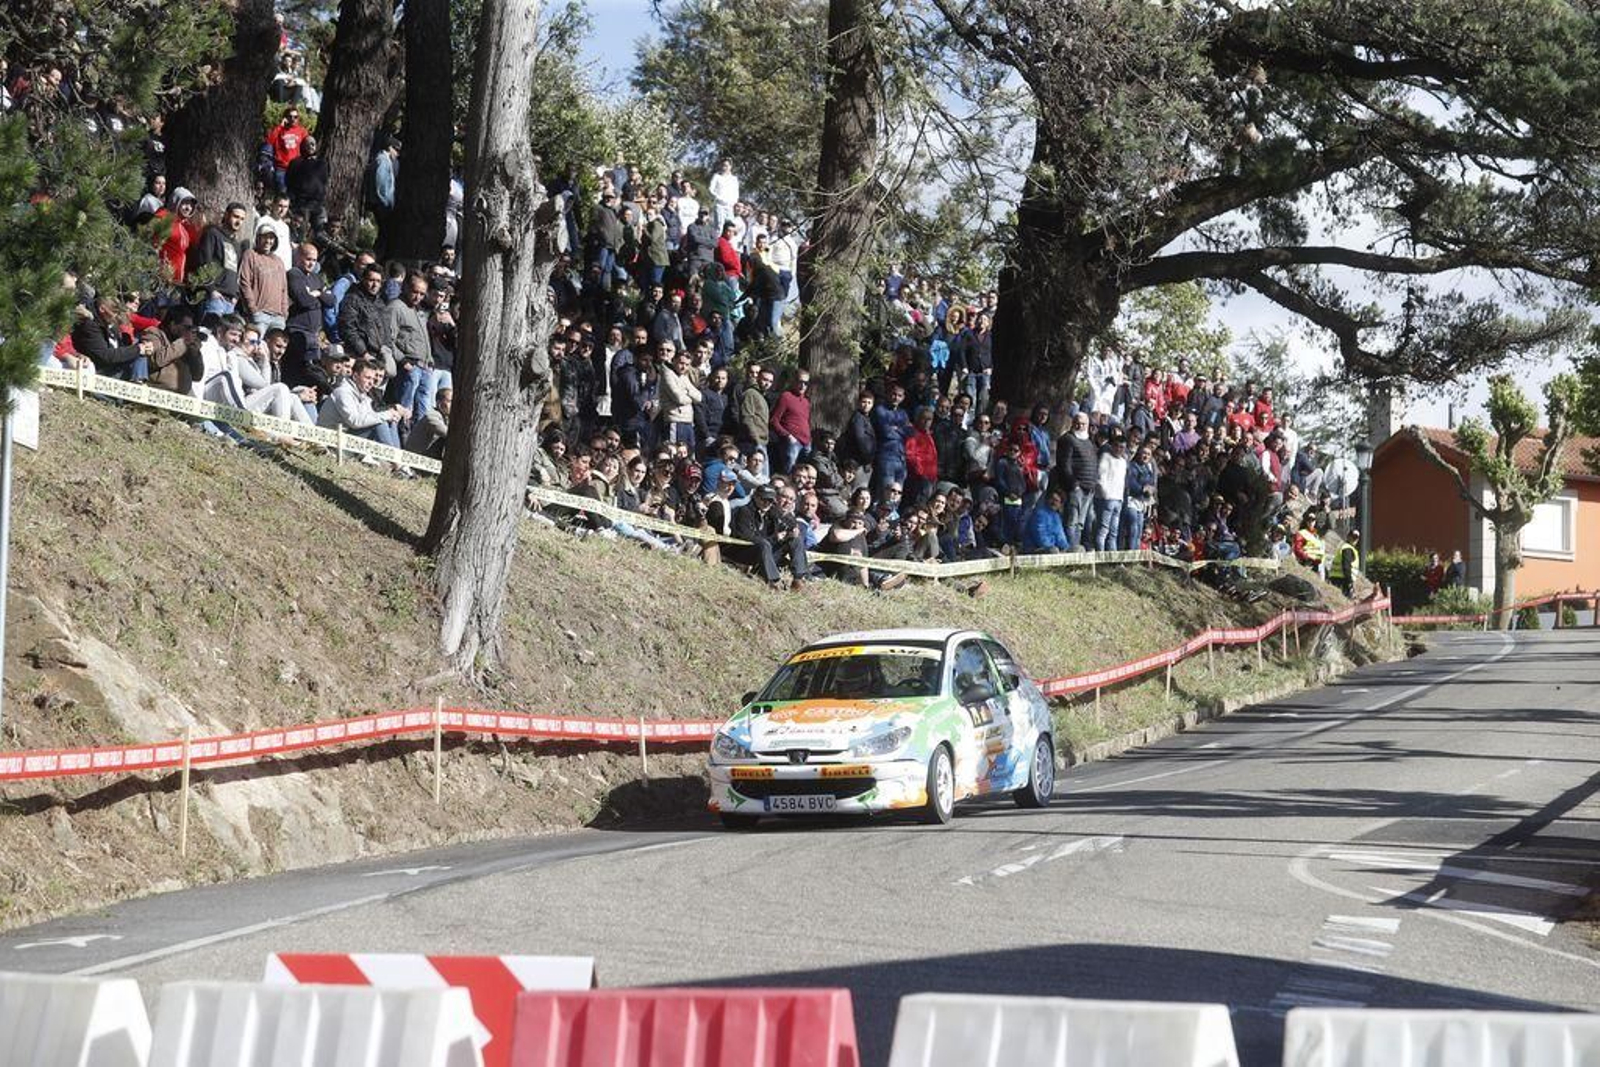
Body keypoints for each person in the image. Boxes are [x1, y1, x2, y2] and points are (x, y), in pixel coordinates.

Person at [317, 357, 405, 450]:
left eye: (372, 378)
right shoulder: (342, 392)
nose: (371, 382)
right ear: (355, 376)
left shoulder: (365, 397)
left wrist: (390, 416)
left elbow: (369, 417)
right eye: (367, 378)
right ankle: (395, 460)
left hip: (346, 439)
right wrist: (386, 414)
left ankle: (396, 456)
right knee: (380, 423)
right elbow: (355, 421)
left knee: (388, 420)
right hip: (330, 442)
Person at [238, 226, 289, 331]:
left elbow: (284, 289)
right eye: (264, 237)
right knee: (255, 346)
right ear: (258, 238)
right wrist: (253, 308)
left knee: (277, 347)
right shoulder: (251, 255)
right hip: (259, 314)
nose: (268, 241)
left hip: (278, 317)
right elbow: (244, 282)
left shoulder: (278, 261)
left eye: (271, 238)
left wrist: (284, 312)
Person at [768, 370, 812, 475]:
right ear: (794, 381)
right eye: (800, 382)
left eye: (806, 383)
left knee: (803, 473)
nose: (803, 385)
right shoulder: (786, 397)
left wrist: (809, 438)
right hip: (792, 442)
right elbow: (774, 420)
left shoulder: (806, 401)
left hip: (806, 443)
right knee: (789, 472)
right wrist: (788, 436)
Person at [404, 386, 450, 458]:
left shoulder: (446, 418)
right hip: (415, 460)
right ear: (439, 403)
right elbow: (449, 434)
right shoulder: (431, 417)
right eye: (450, 401)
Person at [1330, 529, 1360, 596]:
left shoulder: (1344, 547)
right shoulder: (1347, 549)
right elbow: (1346, 566)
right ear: (1348, 537)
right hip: (1342, 580)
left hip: (1337, 578)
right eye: (1352, 537)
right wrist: (1349, 582)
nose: (1353, 540)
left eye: (1355, 538)